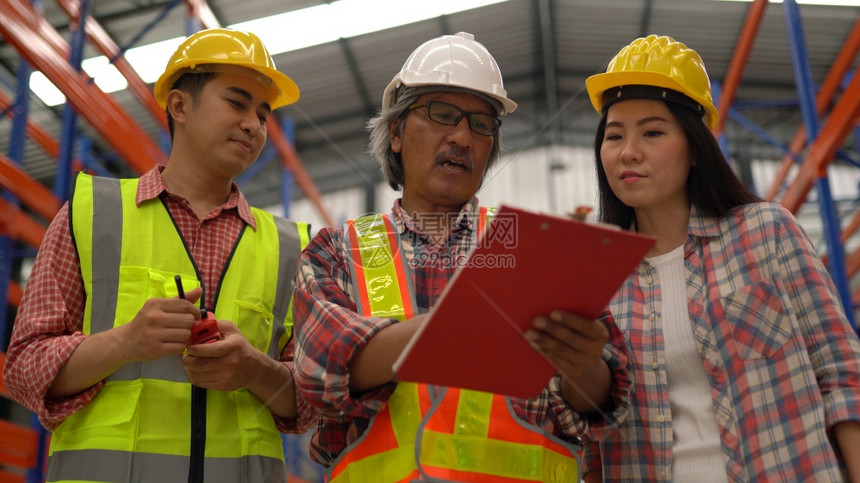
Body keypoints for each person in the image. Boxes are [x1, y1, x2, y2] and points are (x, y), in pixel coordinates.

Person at [292, 31, 632, 482]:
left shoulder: (536, 248)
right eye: (442, 115)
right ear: (395, 132)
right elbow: (320, 370)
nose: (462, 137)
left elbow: (602, 408)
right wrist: (464, 318)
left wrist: (583, 364)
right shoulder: (337, 253)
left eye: (481, 123)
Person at [3, 28, 316, 482]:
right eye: (237, 102)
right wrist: (124, 343)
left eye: (263, 114)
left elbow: (310, 400)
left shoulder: (291, 247)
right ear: (179, 105)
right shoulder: (94, 215)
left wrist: (255, 369)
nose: (254, 123)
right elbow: (25, 369)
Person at [583, 34, 860, 482]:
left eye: (652, 132)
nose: (628, 151)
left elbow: (842, 374)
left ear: (694, 147)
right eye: (614, 135)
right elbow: (592, 445)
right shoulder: (597, 278)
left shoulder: (766, 233)